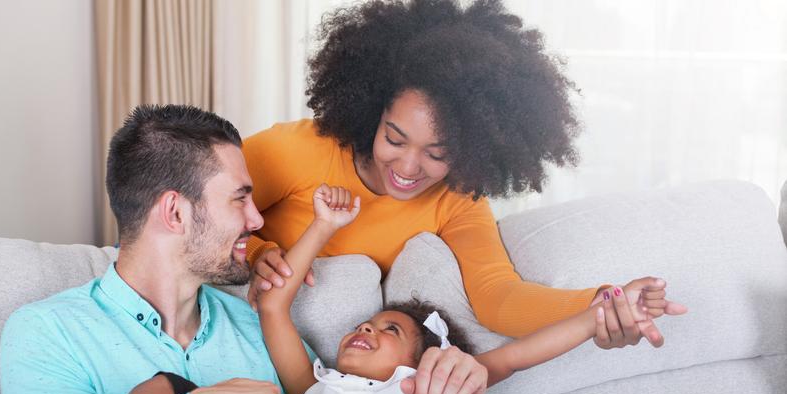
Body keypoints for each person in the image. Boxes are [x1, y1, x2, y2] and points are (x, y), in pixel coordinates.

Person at [0, 104, 486, 394]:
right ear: (174, 211)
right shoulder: (47, 332)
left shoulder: (259, 329)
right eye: (240, 199)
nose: (258, 220)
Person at [242, 0, 686, 349]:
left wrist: (602, 303)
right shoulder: (297, 150)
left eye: (438, 153)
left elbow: (497, 297)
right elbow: (194, 208)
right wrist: (255, 251)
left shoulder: (457, 203)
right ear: (370, 112)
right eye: (394, 139)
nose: (409, 168)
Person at [255, 184, 664, 394]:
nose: (366, 328)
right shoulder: (312, 385)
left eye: (389, 329)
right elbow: (273, 307)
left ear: (419, 363)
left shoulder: (427, 393)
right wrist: (324, 225)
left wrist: (600, 314)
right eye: (368, 323)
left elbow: (513, 358)